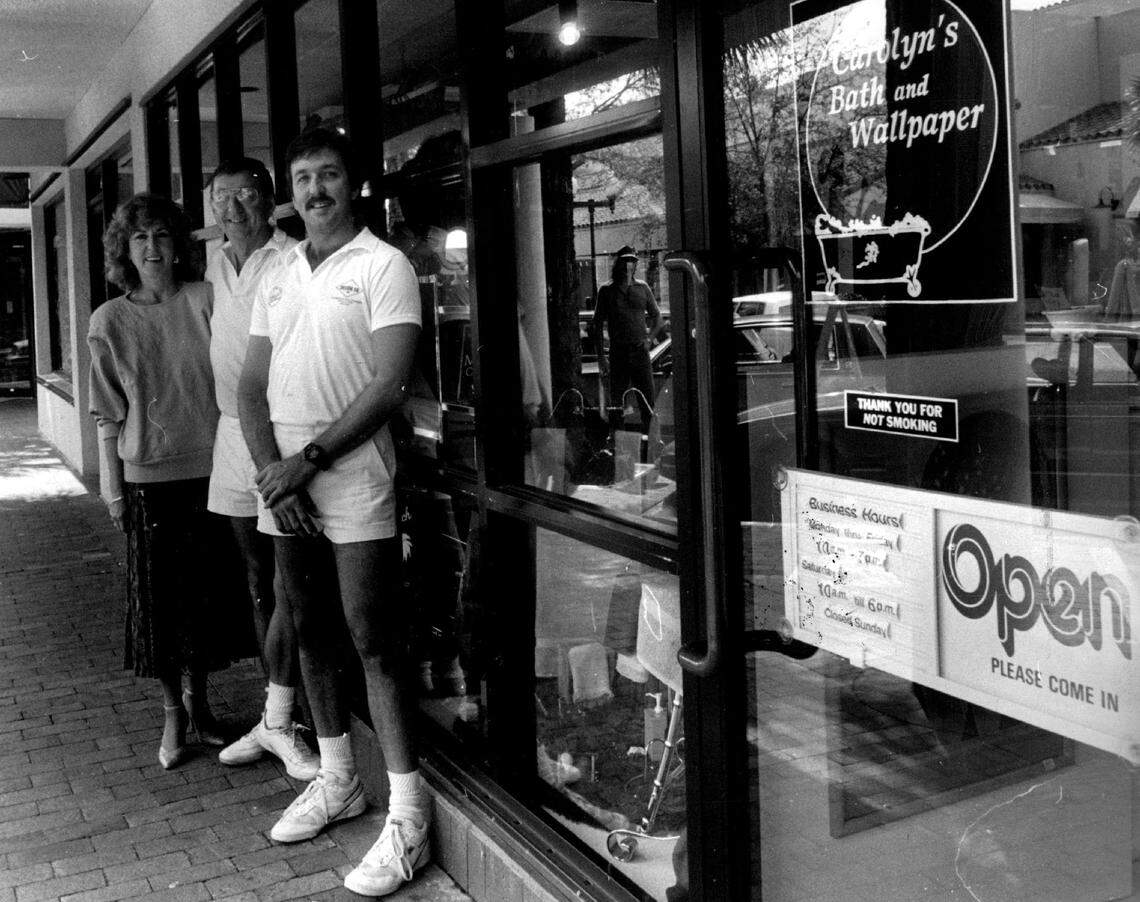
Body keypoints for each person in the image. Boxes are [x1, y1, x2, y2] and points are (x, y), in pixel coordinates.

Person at [237, 127, 427, 897]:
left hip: (351, 479)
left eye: (329, 176)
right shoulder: (278, 273)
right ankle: (339, 777)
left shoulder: (385, 266)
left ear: (354, 185)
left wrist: (307, 464)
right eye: (303, 178)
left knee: (372, 639)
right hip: (285, 482)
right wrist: (274, 476)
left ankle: (409, 818)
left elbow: (388, 386)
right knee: (310, 628)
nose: (315, 190)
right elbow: (250, 387)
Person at [88, 193, 226, 769]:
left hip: (215, 472)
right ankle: (172, 710)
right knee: (160, 603)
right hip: (148, 479)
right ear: (125, 248)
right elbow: (106, 413)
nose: (152, 247)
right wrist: (113, 491)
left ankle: (201, 697)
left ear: (179, 245)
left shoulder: (206, 300)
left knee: (204, 597)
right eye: (140, 237)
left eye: (162, 235)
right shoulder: (109, 320)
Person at [204, 158, 319, 782]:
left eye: (245, 195)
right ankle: (275, 712)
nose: (232, 207)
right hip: (231, 433)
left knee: (289, 581)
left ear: (271, 201)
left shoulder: (294, 257)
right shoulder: (214, 266)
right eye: (221, 197)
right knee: (258, 576)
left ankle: (286, 714)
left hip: (280, 435)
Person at [592, 245, 663, 428]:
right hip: (619, 354)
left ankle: (651, 447)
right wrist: (601, 358)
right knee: (617, 405)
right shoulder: (607, 290)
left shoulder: (643, 288)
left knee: (647, 402)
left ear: (636, 264)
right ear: (618, 263)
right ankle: (619, 447)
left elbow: (657, 317)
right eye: (624, 261)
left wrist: (649, 339)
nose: (628, 265)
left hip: (640, 352)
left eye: (632, 261)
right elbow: (597, 325)